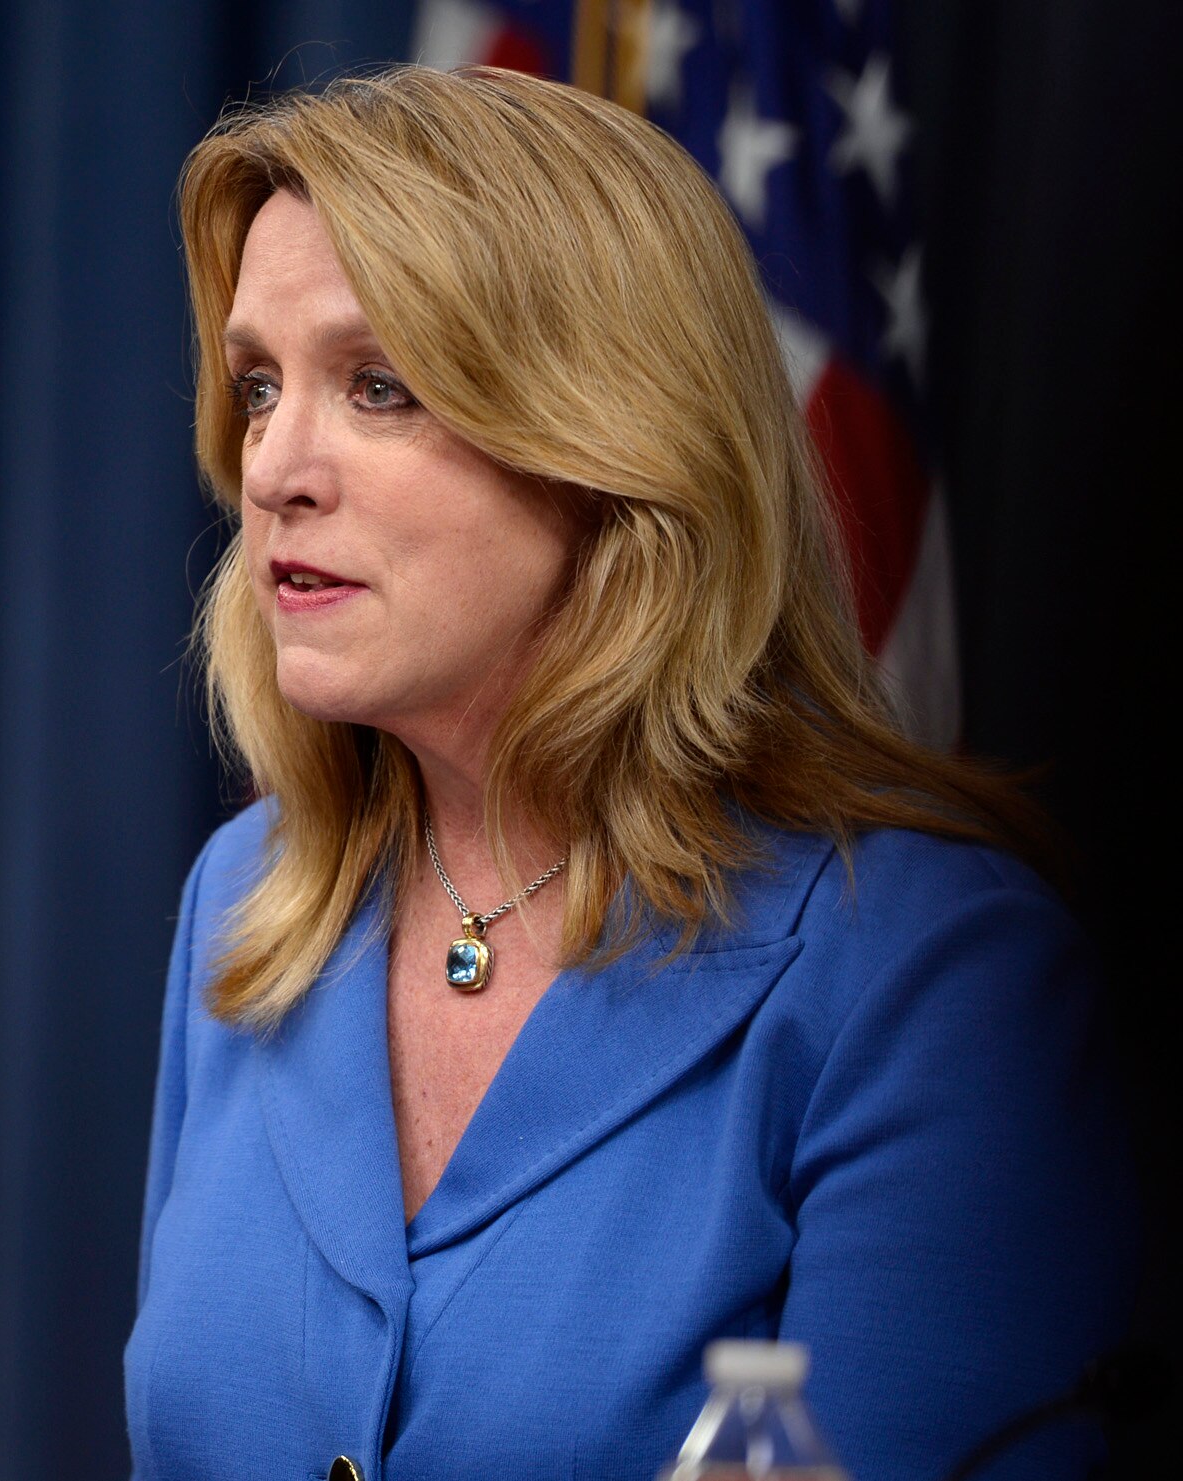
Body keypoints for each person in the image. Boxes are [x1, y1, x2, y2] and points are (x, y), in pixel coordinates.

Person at [126, 65, 1136, 1481]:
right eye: (257, 386)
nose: (274, 465)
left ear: (609, 442)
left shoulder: (935, 980)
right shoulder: (244, 900)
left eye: (378, 384)